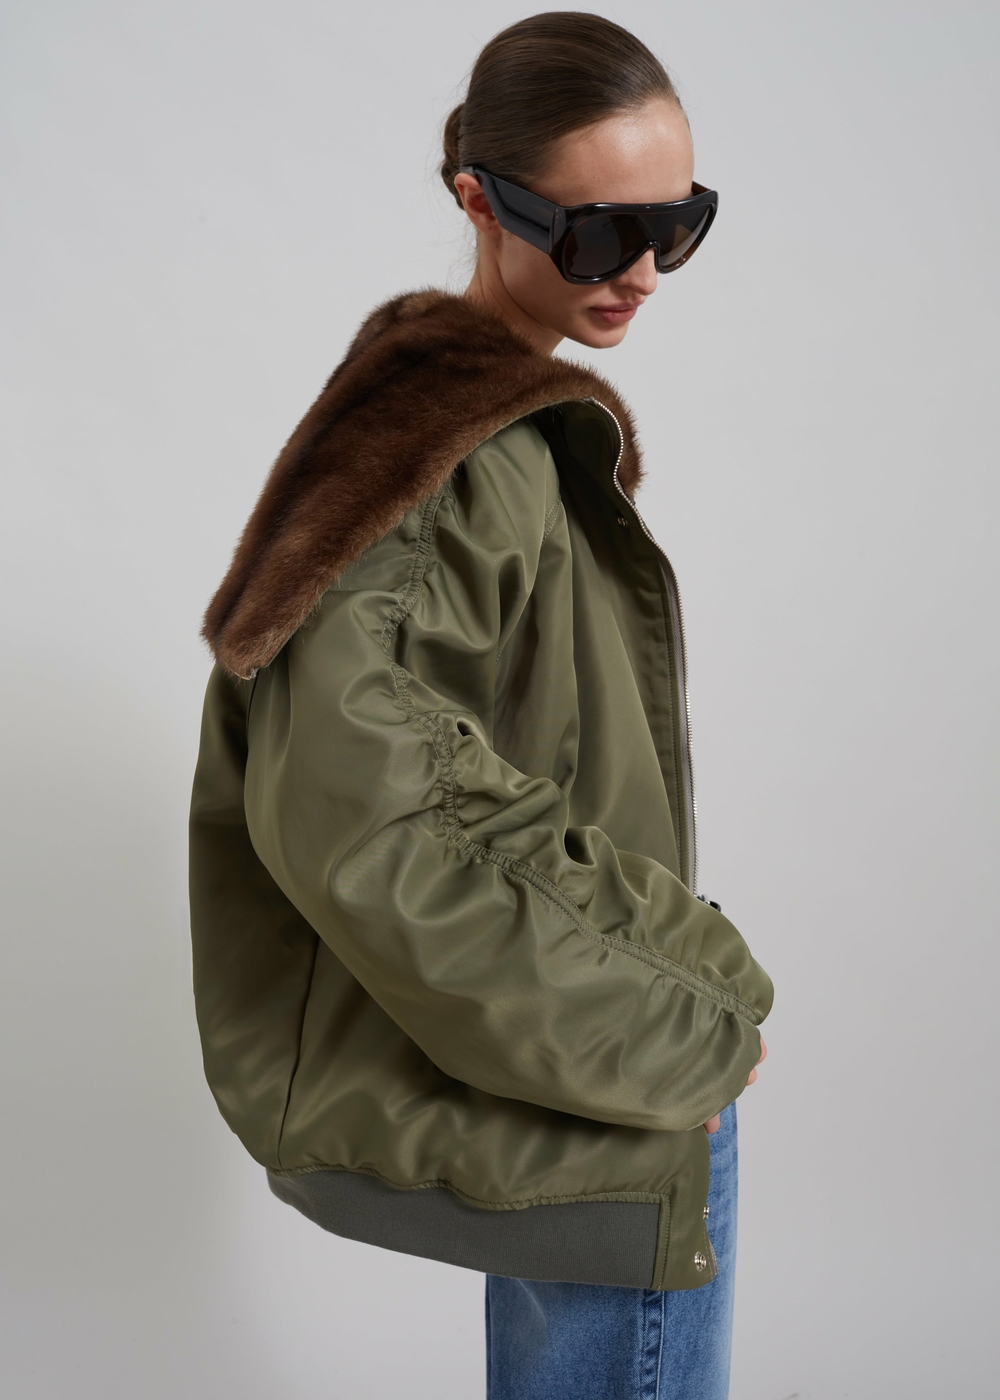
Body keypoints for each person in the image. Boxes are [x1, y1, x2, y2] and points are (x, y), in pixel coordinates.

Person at [190, 12, 772, 1398]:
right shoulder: (445, 460)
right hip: (601, 1055)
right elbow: (372, 811)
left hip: (570, 1043)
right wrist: (674, 1008)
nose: (641, 270)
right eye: (598, 231)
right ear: (479, 199)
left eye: (677, 223)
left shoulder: (478, 433)